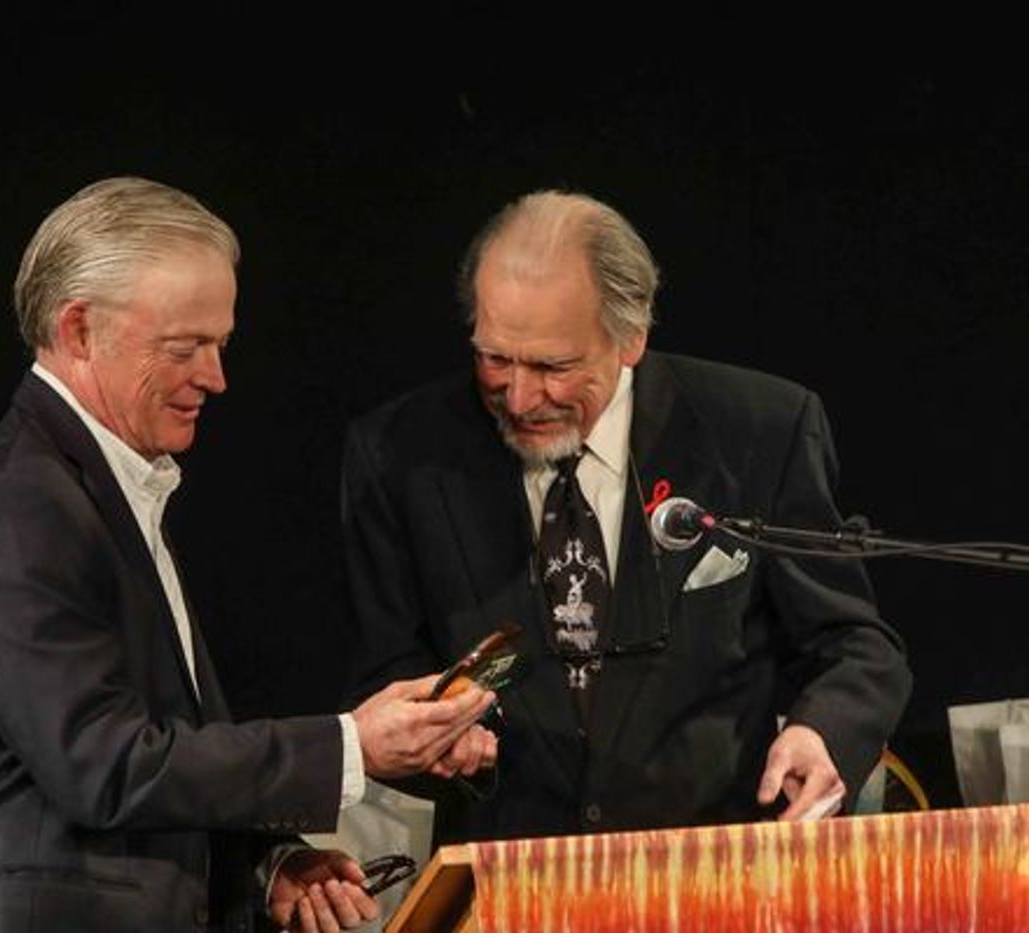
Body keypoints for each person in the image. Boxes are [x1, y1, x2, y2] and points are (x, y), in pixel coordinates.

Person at [0, 177, 497, 933]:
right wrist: (352, 745)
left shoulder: (98, 490)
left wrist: (267, 864)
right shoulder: (15, 507)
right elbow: (105, 766)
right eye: (186, 347)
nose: (215, 378)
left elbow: (158, 751)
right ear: (79, 330)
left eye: (220, 344)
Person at [341, 189, 913, 847]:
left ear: (631, 336)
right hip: (513, 867)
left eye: (553, 366)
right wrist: (443, 740)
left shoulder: (758, 431)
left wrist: (822, 732)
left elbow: (855, 644)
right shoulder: (398, 454)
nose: (519, 398)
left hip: (713, 862)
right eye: (494, 358)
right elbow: (385, 672)